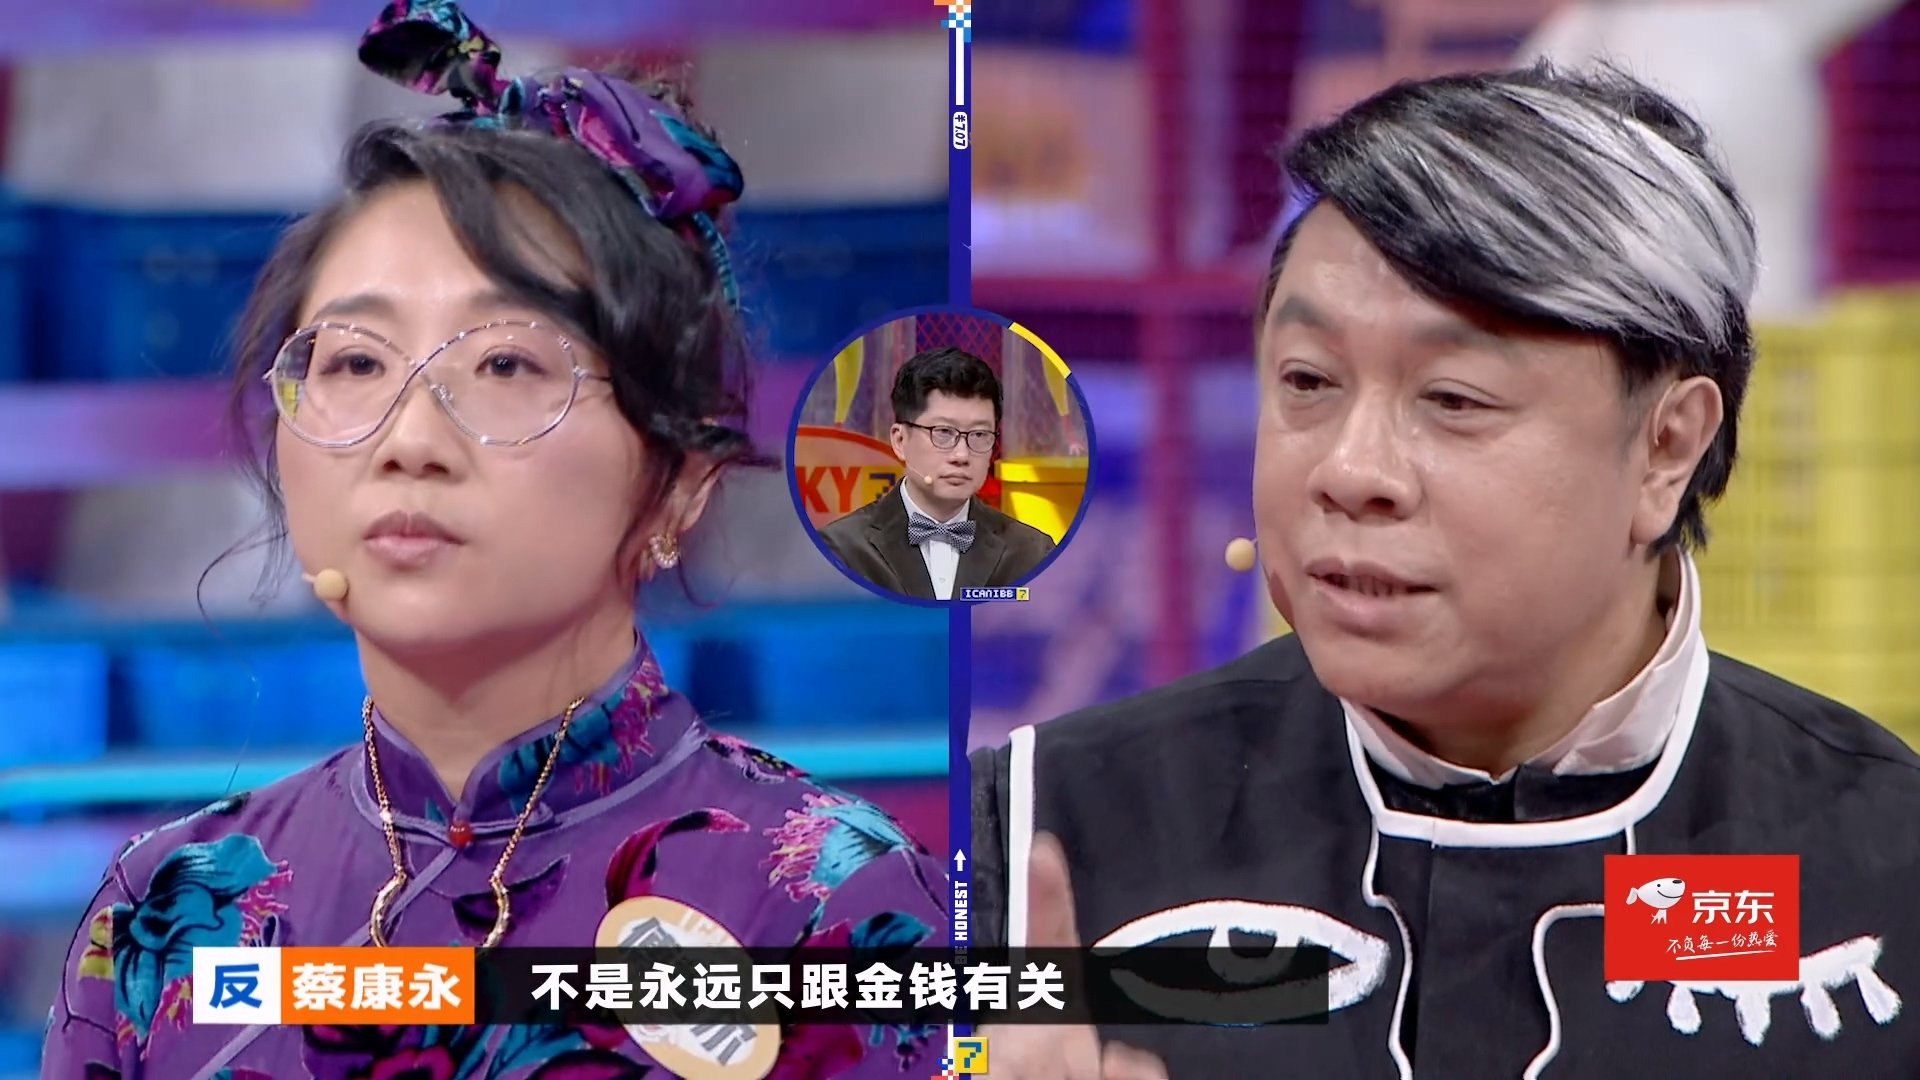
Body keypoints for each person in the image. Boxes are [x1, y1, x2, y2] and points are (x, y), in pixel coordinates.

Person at [43, 4, 946, 1077]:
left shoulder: (832, 906)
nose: (408, 441)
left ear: (678, 482)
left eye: (508, 366)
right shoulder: (166, 915)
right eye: (355, 363)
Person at [969, 63, 1920, 1078]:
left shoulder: (1883, 862)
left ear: (1666, 448)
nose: (1350, 471)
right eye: (1308, 381)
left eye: (1454, 399)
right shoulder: (1031, 835)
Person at [817, 346, 1055, 601]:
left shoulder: (1031, 553)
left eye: (979, 434)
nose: (961, 455)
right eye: (943, 433)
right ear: (900, 440)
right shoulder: (842, 549)